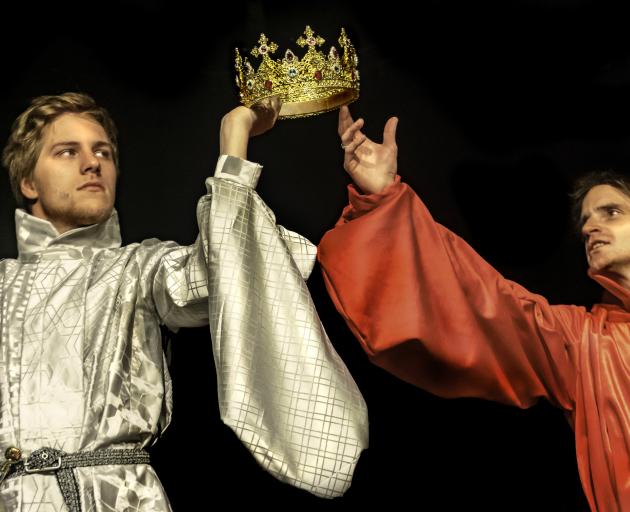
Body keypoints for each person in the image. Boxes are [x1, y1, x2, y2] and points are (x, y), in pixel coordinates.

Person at [0, 93, 368, 511]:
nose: (92, 163)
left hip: (121, 500)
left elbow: (229, 270)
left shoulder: (140, 269)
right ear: (28, 181)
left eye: (102, 151)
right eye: (68, 152)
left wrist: (235, 140)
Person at [317, 105, 630, 511]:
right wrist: (383, 198)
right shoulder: (583, 341)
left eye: (613, 212)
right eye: (585, 219)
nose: (589, 228)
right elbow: (481, 299)